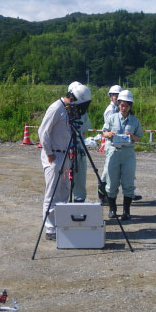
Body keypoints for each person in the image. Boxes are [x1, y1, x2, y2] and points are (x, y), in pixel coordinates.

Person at [38, 82, 92, 241]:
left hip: (66, 154)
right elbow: (43, 131)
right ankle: (50, 228)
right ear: (74, 98)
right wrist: (49, 154)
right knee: (52, 192)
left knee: (64, 191)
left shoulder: (70, 110)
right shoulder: (56, 108)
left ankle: (60, 224)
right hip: (54, 155)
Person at [101, 89, 143, 220]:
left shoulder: (135, 121)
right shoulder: (112, 118)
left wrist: (132, 136)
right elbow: (104, 133)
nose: (123, 108)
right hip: (114, 151)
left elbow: (139, 137)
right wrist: (109, 134)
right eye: (121, 105)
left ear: (130, 106)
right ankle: (112, 209)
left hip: (128, 154)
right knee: (111, 183)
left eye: (126, 105)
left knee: (128, 183)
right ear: (118, 104)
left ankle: (126, 211)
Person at [68, 81, 92, 202]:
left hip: (79, 145)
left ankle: (79, 200)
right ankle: (66, 200)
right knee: (66, 176)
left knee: (80, 175)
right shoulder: (64, 109)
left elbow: (84, 130)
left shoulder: (83, 111)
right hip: (67, 146)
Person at [98, 85, 122, 201]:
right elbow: (110, 128)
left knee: (114, 169)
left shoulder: (119, 109)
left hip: (118, 142)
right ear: (110, 97)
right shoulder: (111, 110)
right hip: (111, 141)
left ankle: (106, 193)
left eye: (118, 95)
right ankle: (102, 192)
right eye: (114, 95)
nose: (116, 97)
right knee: (108, 169)